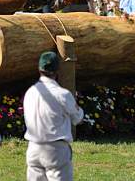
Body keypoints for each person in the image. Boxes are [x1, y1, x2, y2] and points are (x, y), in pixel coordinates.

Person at [24, 52, 84, 181]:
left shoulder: (30, 92)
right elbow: (78, 118)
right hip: (55, 148)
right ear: (57, 71)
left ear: (39, 69)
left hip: (33, 147)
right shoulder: (63, 94)